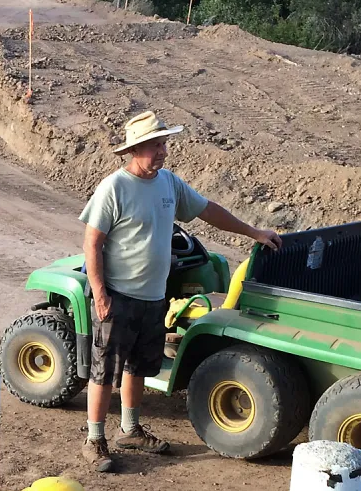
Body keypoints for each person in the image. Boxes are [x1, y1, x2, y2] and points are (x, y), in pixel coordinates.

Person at [80, 110, 283, 472]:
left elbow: (208, 211)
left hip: (153, 297)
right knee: (104, 370)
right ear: (135, 149)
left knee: (138, 367)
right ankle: (95, 439)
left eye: (164, 144)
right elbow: (92, 243)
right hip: (118, 296)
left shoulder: (169, 184)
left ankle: (129, 429)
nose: (163, 151)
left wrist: (253, 232)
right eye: (156, 146)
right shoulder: (114, 188)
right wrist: (99, 293)